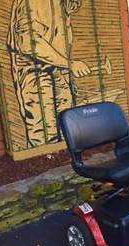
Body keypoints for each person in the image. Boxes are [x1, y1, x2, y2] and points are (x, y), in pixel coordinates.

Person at [7, 0, 89, 147]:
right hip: (32, 68)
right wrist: (69, 63)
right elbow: (29, 43)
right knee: (42, 129)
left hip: (58, 66)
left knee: (66, 121)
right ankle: (46, 157)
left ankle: (67, 156)